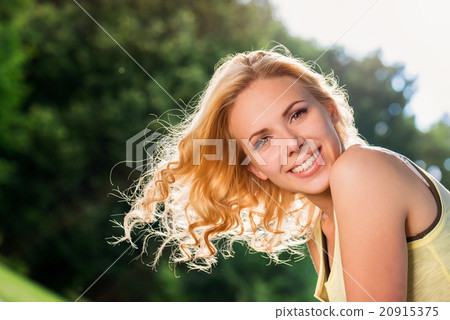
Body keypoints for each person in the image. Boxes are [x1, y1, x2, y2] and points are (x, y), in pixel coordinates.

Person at [116, 46, 450, 301]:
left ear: (330, 112)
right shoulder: (319, 236)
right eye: (263, 140)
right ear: (255, 168)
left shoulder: (363, 170)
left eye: (297, 114)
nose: (292, 143)